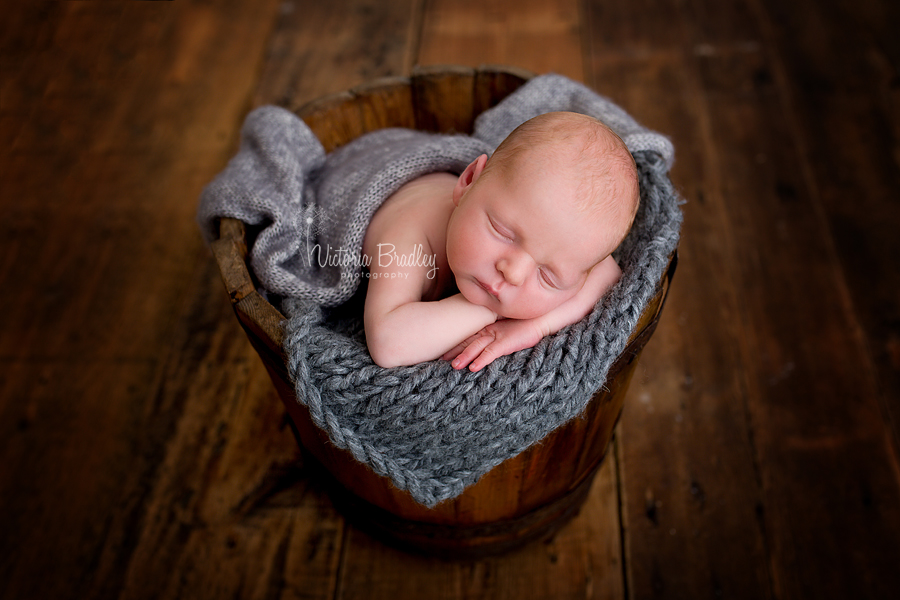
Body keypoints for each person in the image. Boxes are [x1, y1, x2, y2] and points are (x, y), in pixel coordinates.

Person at [362, 111, 639, 371]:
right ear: (469, 181)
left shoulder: (562, 249)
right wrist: (489, 313)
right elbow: (387, 342)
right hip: (378, 173)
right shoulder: (410, 238)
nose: (513, 273)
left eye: (548, 277)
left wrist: (534, 327)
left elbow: (607, 274)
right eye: (503, 232)